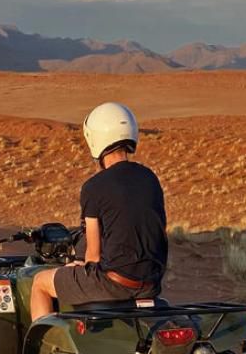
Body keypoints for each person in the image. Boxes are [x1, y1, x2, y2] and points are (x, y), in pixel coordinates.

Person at [30, 101, 168, 321]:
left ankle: (43, 351)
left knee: (40, 282)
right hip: (151, 283)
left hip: (114, 283)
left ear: (95, 139)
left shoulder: (94, 187)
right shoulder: (150, 178)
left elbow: (93, 255)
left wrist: (80, 265)